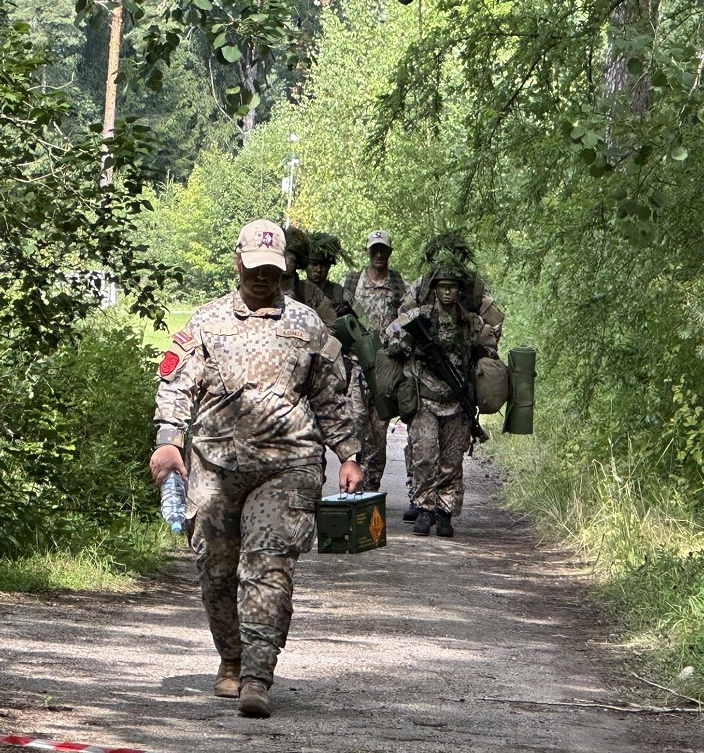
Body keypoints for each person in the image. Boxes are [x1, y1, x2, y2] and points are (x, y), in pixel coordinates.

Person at [150, 219, 363, 719]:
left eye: (273, 270)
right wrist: (168, 441)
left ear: (284, 267)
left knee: (268, 566)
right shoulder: (205, 323)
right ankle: (232, 657)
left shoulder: (308, 325)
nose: (263, 279)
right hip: (215, 466)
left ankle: (257, 676)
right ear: (237, 262)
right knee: (217, 569)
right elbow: (176, 385)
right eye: (255, 269)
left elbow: (332, 395)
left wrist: (348, 454)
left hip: (287, 466)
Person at [386, 261, 495, 538]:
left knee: (452, 460)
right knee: (424, 457)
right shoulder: (419, 316)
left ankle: (445, 513)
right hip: (425, 399)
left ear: (459, 291)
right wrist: (406, 346)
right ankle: (424, 508)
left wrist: (483, 352)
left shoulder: (470, 322)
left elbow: (491, 346)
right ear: (434, 289)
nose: (448, 292)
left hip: (457, 402)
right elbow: (391, 336)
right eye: (443, 287)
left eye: (453, 287)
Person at [341, 229, 406, 492]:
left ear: (389, 253)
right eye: (374, 250)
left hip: (384, 368)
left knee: (378, 431)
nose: (379, 255)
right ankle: (352, 482)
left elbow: (406, 317)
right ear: (367, 252)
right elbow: (341, 317)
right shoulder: (353, 281)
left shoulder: (399, 284)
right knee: (355, 423)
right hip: (356, 365)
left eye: (384, 250)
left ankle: (371, 487)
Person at [281, 225, 337, 327]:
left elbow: (331, 324)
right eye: (282, 256)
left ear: (298, 263)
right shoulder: (264, 287)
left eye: (291, 259)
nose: (286, 262)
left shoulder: (310, 292)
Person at [306, 232, 355, 318]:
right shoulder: (295, 292)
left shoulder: (342, 294)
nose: (319, 269)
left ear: (329, 266)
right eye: (314, 264)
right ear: (305, 264)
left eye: (323, 265)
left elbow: (363, 326)